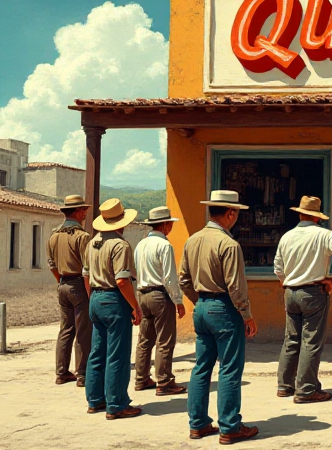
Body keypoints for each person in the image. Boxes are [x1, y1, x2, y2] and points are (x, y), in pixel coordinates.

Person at [179, 190, 259, 443]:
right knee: (229, 369)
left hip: (202, 306)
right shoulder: (229, 244)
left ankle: (198, 423)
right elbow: (236, 286)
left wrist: (199, 301)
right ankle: (229, 425)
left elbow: (183, 279)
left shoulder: (192, 240)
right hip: (224, 308)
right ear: (230, 213)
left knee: (201, 367)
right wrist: (247, 315)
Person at [273, 196, 332, 403]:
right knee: (311, 341)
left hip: (290, 291)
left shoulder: (287, 236)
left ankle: (285, 385)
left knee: (291, 339)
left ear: (300, 213)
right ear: (317, 217)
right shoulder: (324, 235)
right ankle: (307, 389)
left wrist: (286, 283)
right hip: (312, 292)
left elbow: (278, 268)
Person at [84, 198, 143, 420]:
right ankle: (117, 404)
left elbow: (86, 275)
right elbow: (122, 281)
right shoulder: (120, 245)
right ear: (121, 222)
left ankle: (95, 399)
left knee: (97, 352)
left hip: (96, 297)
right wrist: (134, 305)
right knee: (117, 354)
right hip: (113, 299)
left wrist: (93, 298)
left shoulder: (92, 243)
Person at [133, 207, 187, 396]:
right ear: (164, 225)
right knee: (165, 340)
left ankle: (141, 378)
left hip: (143, 293)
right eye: (170, 224)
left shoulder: (141, 245)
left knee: (145, 339)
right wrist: (178, 300)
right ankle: (164, 381)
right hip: (159, 295)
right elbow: (170, 278)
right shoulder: (164, 246)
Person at [47, 194, 93, 387]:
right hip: (78, 284)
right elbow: (87, 269)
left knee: (65, 330)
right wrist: (89, 292)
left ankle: (62, 372)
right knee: (83, 331)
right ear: (77, 212)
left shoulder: (53, 235)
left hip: (63, 284)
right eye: (83, 210)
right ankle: (82, 374)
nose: (85, 213)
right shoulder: (82, 237)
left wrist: (61, 281)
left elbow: (52, 265)